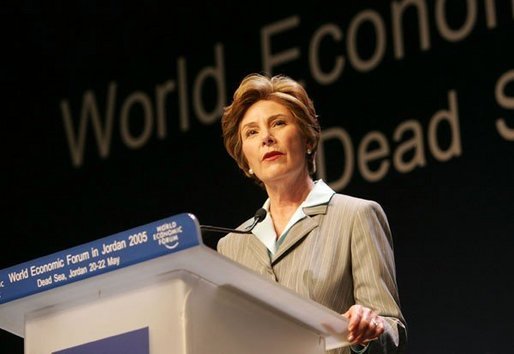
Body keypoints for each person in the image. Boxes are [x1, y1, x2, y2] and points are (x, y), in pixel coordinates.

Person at [217, 73, 407, 354]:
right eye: (252, 132)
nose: (267, 138)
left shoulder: (355, 215)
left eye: (278, 123)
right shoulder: (231, 246)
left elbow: (392, 331)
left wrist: (367, 333)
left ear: (307, 139)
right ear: (246, 161)